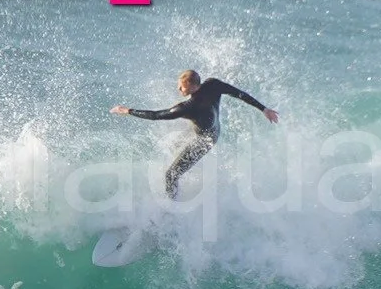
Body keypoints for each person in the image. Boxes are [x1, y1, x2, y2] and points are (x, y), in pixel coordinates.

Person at [112, 69, 279, 198]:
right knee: (175, 145)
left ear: (192, 86)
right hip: (213, 128)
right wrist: (264, 109)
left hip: (205, 140)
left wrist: (127, 110)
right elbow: (240, 94)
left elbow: (156, 115)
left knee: (171, 175)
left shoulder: (187, 107)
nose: (178, 88)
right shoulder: (213, 84)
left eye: (181, 87)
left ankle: (172, 206)